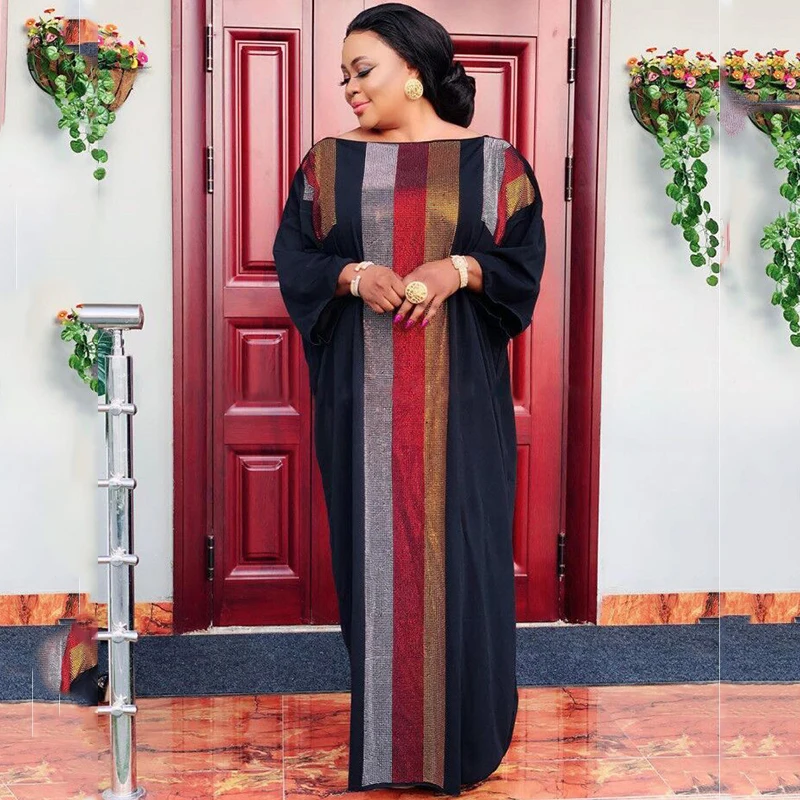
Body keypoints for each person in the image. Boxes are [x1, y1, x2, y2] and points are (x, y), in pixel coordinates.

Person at [272, 3, 546, 794]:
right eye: (344, 76)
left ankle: (467, 740)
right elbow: (295, 258)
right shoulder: (328, 165)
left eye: (364, 71)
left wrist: (456, 269)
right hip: (359, 401)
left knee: (463, 551)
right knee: (373, 558)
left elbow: (523, 264)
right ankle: (391, 744)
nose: (349, 88)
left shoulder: (494, 164)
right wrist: (352, 275)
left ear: (416, 73)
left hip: (462, 405)